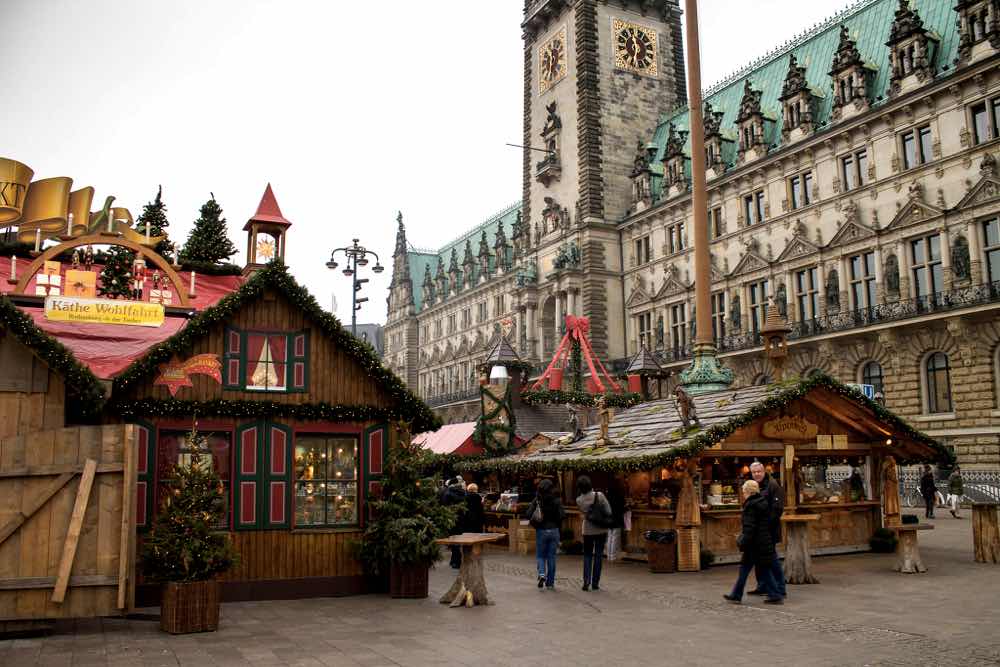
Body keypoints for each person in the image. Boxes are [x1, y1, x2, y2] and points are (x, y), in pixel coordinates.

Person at [724, 479, 783, 605]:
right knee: (759, 569)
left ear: (748, 492)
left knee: (750, 570)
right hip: (761, 542)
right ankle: (773, 594)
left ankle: (774, 595)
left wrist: (741, 541)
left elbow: (750, 528)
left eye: (744, 491)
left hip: (755, 544)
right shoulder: (762, 502)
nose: (743, 494)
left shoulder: (751, 506)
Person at [747, 462, 786, 599]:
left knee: (772, 560)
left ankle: (780, 588)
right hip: (758, 531)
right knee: (759, 560)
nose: (756, 474)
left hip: (769, 531)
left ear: (764, 471)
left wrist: (765, 526)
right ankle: (762, 586)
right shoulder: (755, 486)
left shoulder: (773, 485)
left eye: (759, 471)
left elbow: (777, 509)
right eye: (754, 472)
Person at [526, 478, 564, 590]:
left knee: (540, 555)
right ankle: (550, 583)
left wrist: (537, 520)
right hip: (554, 530)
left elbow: (528, 514)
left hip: (541, 530)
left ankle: (542, 574)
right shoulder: (556, 500)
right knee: (551, 557)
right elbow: (562, 516)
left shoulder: (537, 499)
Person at [576, 475, 612, 591]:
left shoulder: (579, 500)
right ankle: (595, 583)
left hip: (587, 530)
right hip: (601, 529)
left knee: (587, 555)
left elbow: (584, 514)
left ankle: (586, 581)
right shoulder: (599, 495)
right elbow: (609, 511)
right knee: (598, 555)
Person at [439, 476, 467, 568]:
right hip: (461, 518)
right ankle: (455, 560)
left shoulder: (447, 493)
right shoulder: (463, 493)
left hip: (451, 518)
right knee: (458, 539)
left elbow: (443, 505)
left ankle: (455, 561)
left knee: (453, 539)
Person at [605, 480, 627, 562]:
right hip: (617, 518)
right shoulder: (619, 496)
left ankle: (609, 555)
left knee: (610, 536)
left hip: (609, 518)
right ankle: (613, 556)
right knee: (615, 537)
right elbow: (622, 507)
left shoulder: (607, 496)